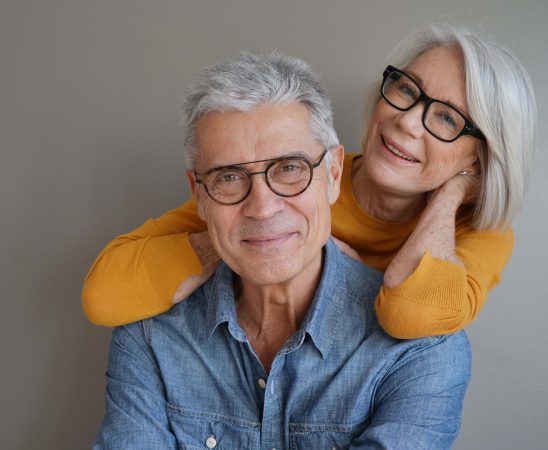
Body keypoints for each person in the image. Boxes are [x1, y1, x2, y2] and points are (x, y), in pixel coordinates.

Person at [93, 51, 471, 449]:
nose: (262, 207)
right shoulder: (150, 336)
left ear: (333, 174)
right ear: (199, 197)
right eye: (230, 176)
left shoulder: (422, 353)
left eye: (289, 168)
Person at [82, 24, 536, 338]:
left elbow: (414, 314)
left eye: (446, 118)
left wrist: (452, 192)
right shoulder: (297, 175)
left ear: (480, 155)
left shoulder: (477, 232)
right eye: (406, 90)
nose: (407, 122)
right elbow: (104, 295)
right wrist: (244, 238)